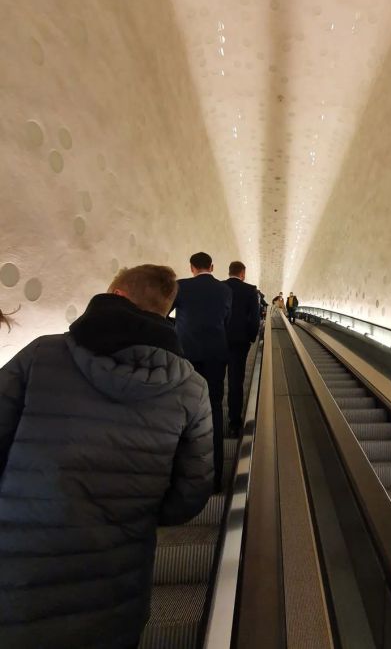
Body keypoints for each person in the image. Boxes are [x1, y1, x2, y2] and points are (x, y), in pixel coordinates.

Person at [0, 265, 214, 649]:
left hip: (17, 571)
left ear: (115, 295)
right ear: (166, 311)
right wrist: (137, 509)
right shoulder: (192, 389)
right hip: (116, 583)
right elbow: (192, 494)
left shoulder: (42, 354)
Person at [173, 252, 232, 492]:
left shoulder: (181, 287)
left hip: (186, 355)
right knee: (215, 408)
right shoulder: (224, 290)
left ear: (191, 268)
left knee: (184, 410)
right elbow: (225, 319)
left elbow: (165, 313)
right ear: (212, 266)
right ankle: (215, 478)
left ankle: (185, 479)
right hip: (217, 355)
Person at [224, 261, 260, 436]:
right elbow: (255, 318)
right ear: (242, 273)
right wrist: (251, 337)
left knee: (213, 380)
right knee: (235, 381)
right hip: (240, 341)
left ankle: (209, 417)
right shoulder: (250, 290)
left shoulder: (219, 287)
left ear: (229, 271)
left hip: (218, 340)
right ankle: (234, 422)